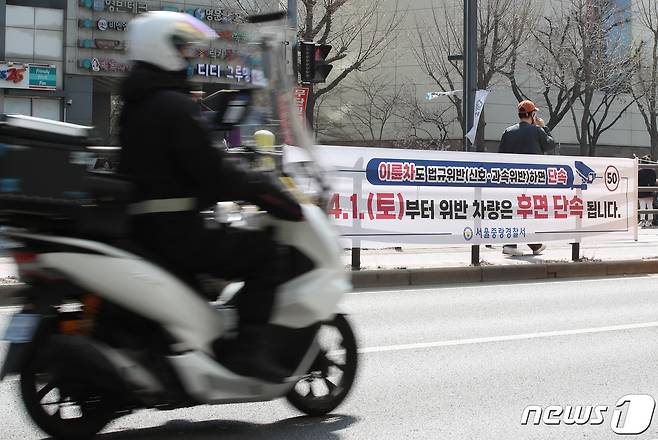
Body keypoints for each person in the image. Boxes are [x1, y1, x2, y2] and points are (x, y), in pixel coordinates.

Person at [118, 11, 303, 382]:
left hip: (145, 228)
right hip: (177, 231)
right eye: (183, 48)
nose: (188, 56)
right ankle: (249, 352)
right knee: (267, 254)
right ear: (163, 49)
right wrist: (263, 189)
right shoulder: (173, 105)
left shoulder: (136, 104)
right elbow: (213, 169)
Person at [498, 100, 556, 257]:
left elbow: (500, 156)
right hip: (532, 179)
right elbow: (550, 145)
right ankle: (529, 244)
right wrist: (544, 127)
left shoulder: (507, 132)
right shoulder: (536, 130)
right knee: (528, 210)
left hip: (511, 179)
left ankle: (522, 243)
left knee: (515, 210)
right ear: (532, 114)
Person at [638, 155, 657, 228]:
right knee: (650, 206)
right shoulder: (653, 171)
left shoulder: (639, 171)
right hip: (650, 190)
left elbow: (637, 181)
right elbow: (654, 181)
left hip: (641, 190)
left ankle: (642, 220)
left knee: (642, 206)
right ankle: (650, 220)